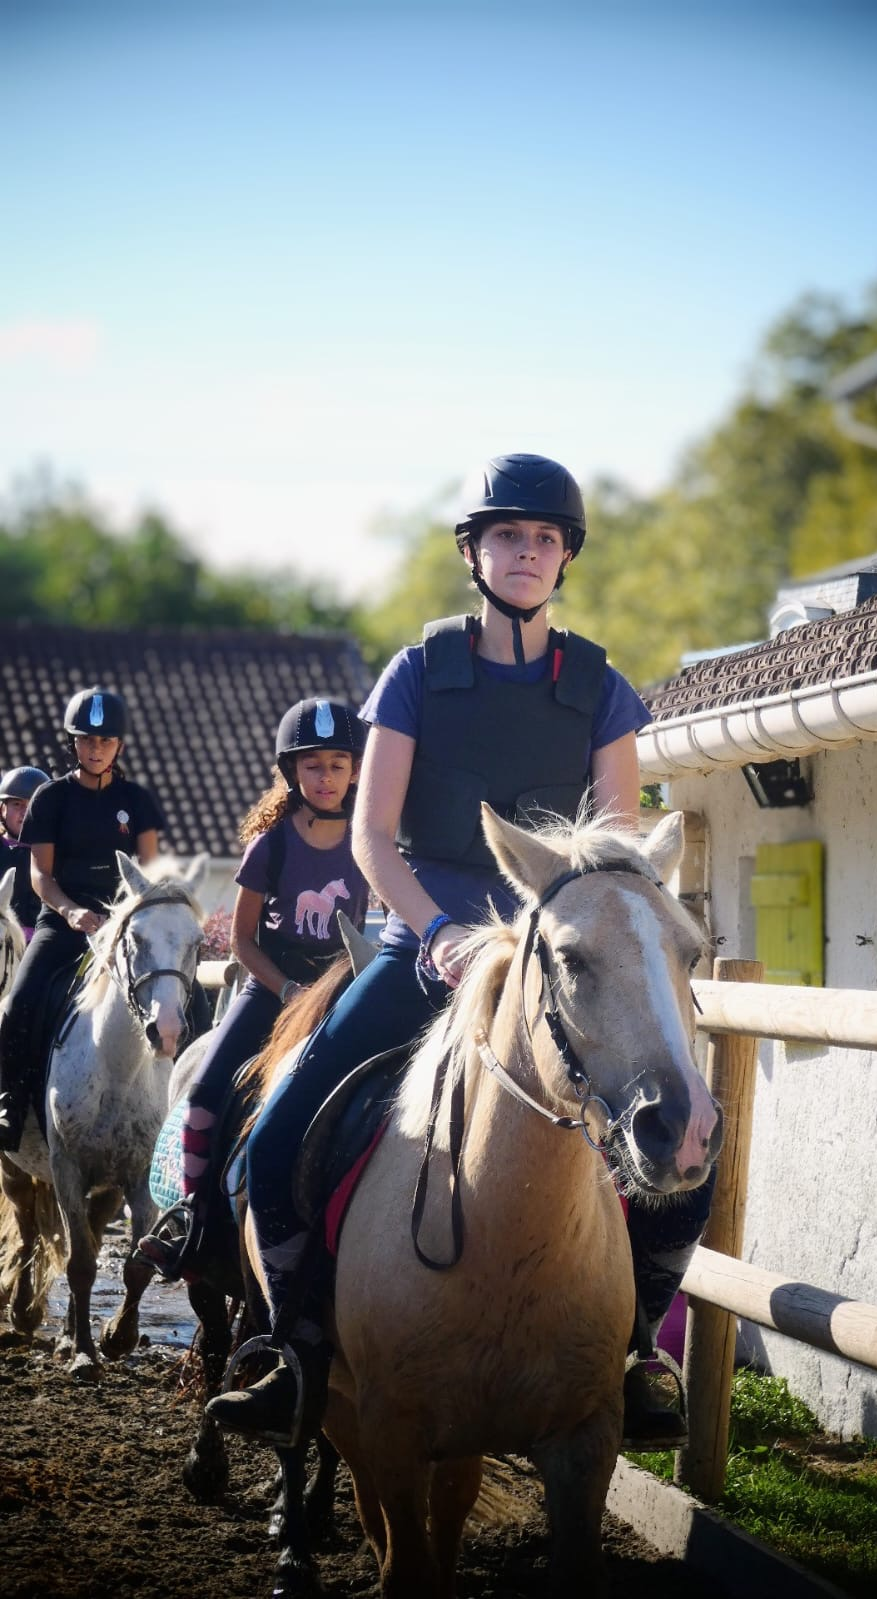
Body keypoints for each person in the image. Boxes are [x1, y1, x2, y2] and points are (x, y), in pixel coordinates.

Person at [207, 452, 715, 1443]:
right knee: (273, 1139)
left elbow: (613, 861)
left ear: (564, 557)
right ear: (473, 554)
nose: (526, 551)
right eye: (506, 535)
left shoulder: (601, 687)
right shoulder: (414, 674)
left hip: (556, 965)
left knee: (681, 1140)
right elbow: (370, 835)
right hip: (424, 944)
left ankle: (631, 1354)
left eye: (544, 537)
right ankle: (294, 1347)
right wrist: (436, 931)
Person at [138, 697, 371, 1282]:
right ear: (292, 771)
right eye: (313, 765)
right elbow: (242, 942)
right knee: (205, 1091)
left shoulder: (371, 842)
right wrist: (288, 989)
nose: (326, 777)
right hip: (273, 985)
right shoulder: (270, 845)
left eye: (337, 765)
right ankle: (190, 1217)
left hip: (342, 985)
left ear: (355, 771)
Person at [0, 687, 165, 1151]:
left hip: (122, 925)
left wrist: (129, 919)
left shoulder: (137, 801)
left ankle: (186, 1103)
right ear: (73, 742)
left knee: (183, 997)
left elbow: (149, 876)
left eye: (105, 741)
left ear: (119, 745)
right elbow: (40, 875)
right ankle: (10, 1102)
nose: (96, 749)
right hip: (62, 921)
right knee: (18, 1002)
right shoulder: (50, 798)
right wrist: (71, 910)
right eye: (87, 740)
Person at [0, 766, 51, 939]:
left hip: (42, 943)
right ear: (2, 809)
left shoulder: (57, 853)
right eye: (17, 804)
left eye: (33, 805)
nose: (26, 813)